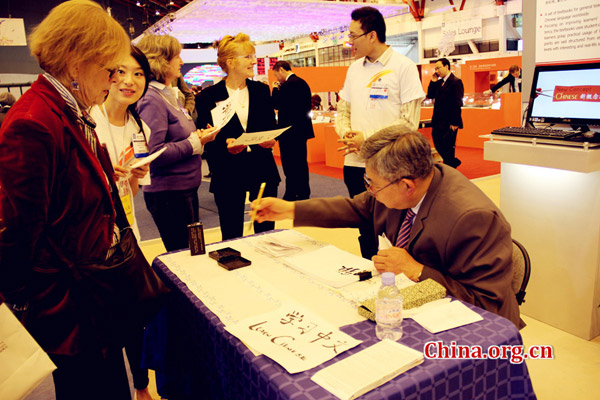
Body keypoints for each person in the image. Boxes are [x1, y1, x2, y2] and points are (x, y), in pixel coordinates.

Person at [251, 126, 522, 329]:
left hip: (475, 327)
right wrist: (289, 210)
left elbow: (486, 303)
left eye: (372, 184)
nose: (369, 190)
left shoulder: (471, 218)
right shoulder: (404, 185)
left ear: (406, 185)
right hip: (418, 303)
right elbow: (355, 208)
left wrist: (414, 269)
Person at [0, 1, 135, 398]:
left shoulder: (65, 109)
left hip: (91, 295)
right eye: (109, 69)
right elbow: (21, 231)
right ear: (77, 64)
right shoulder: (33, 121)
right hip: (70, 307)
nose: (113, 81)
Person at [89, 45, 154, 400]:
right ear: (106, 76)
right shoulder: (88, 119)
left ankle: (142, 386)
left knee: (135, 310)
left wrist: (133, 176)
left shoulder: (136, 124)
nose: (129, 81)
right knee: (105, 321)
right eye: (121, 72)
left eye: (139, 74)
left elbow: (132, 190)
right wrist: (102, 172)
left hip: (128, 231)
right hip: (94, 239)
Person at [335, 6, 425, 260]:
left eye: (353, 36)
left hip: (391, 165)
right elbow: (343, 110)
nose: (349, 42)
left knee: (394, 227)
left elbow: (409, 122)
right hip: (355, 163)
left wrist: (369, 139)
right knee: (365, 227)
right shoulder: (354, 69)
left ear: (372, 35)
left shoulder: (403, 67)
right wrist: (347, 135)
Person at [136, 34, 218, 252]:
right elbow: (153, 153)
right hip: (169, 195)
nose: (181, 62)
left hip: (182, 190)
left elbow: (176, 136)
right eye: (177, 57)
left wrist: (197, 138)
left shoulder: (164, 94)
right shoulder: (151, 99)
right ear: (162, 61)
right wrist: (194, 142)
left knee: (193, 252)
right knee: (183, 256)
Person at [196, 33, 280, 240]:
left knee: (266, 230)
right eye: (248, 56)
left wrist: (270, 141)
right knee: (231, 230)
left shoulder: (261, 90)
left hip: (262, 167)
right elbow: (205, 137)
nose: (254, 61)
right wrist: (224, 146)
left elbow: (270, 125)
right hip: (228, 171)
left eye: (254, 56)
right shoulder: (208, 96)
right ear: (231, 62)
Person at [272, 60, 314, 201]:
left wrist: (275, 89)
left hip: (289, 132)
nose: (277, 79)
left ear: (281, 70)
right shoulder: (302, 83)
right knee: (300, 163)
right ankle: (303, 192)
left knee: (290, 164)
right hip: (301, 131)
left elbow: (276, 104)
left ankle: (291, 192)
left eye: (276, 75)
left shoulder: (288, 85)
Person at [426, 57, 464, 169]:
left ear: (446, 66)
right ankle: (452, 163)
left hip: (449, 121)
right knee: (438, 143)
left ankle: (450, 167)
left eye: (438, 68)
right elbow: (430, 95)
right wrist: (433, 82)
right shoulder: (439, 83)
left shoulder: (456, 82)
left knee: (448, 146)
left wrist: (455, 122)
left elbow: (458, 103)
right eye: (435, 68)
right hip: (438, 120)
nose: (436, 71)